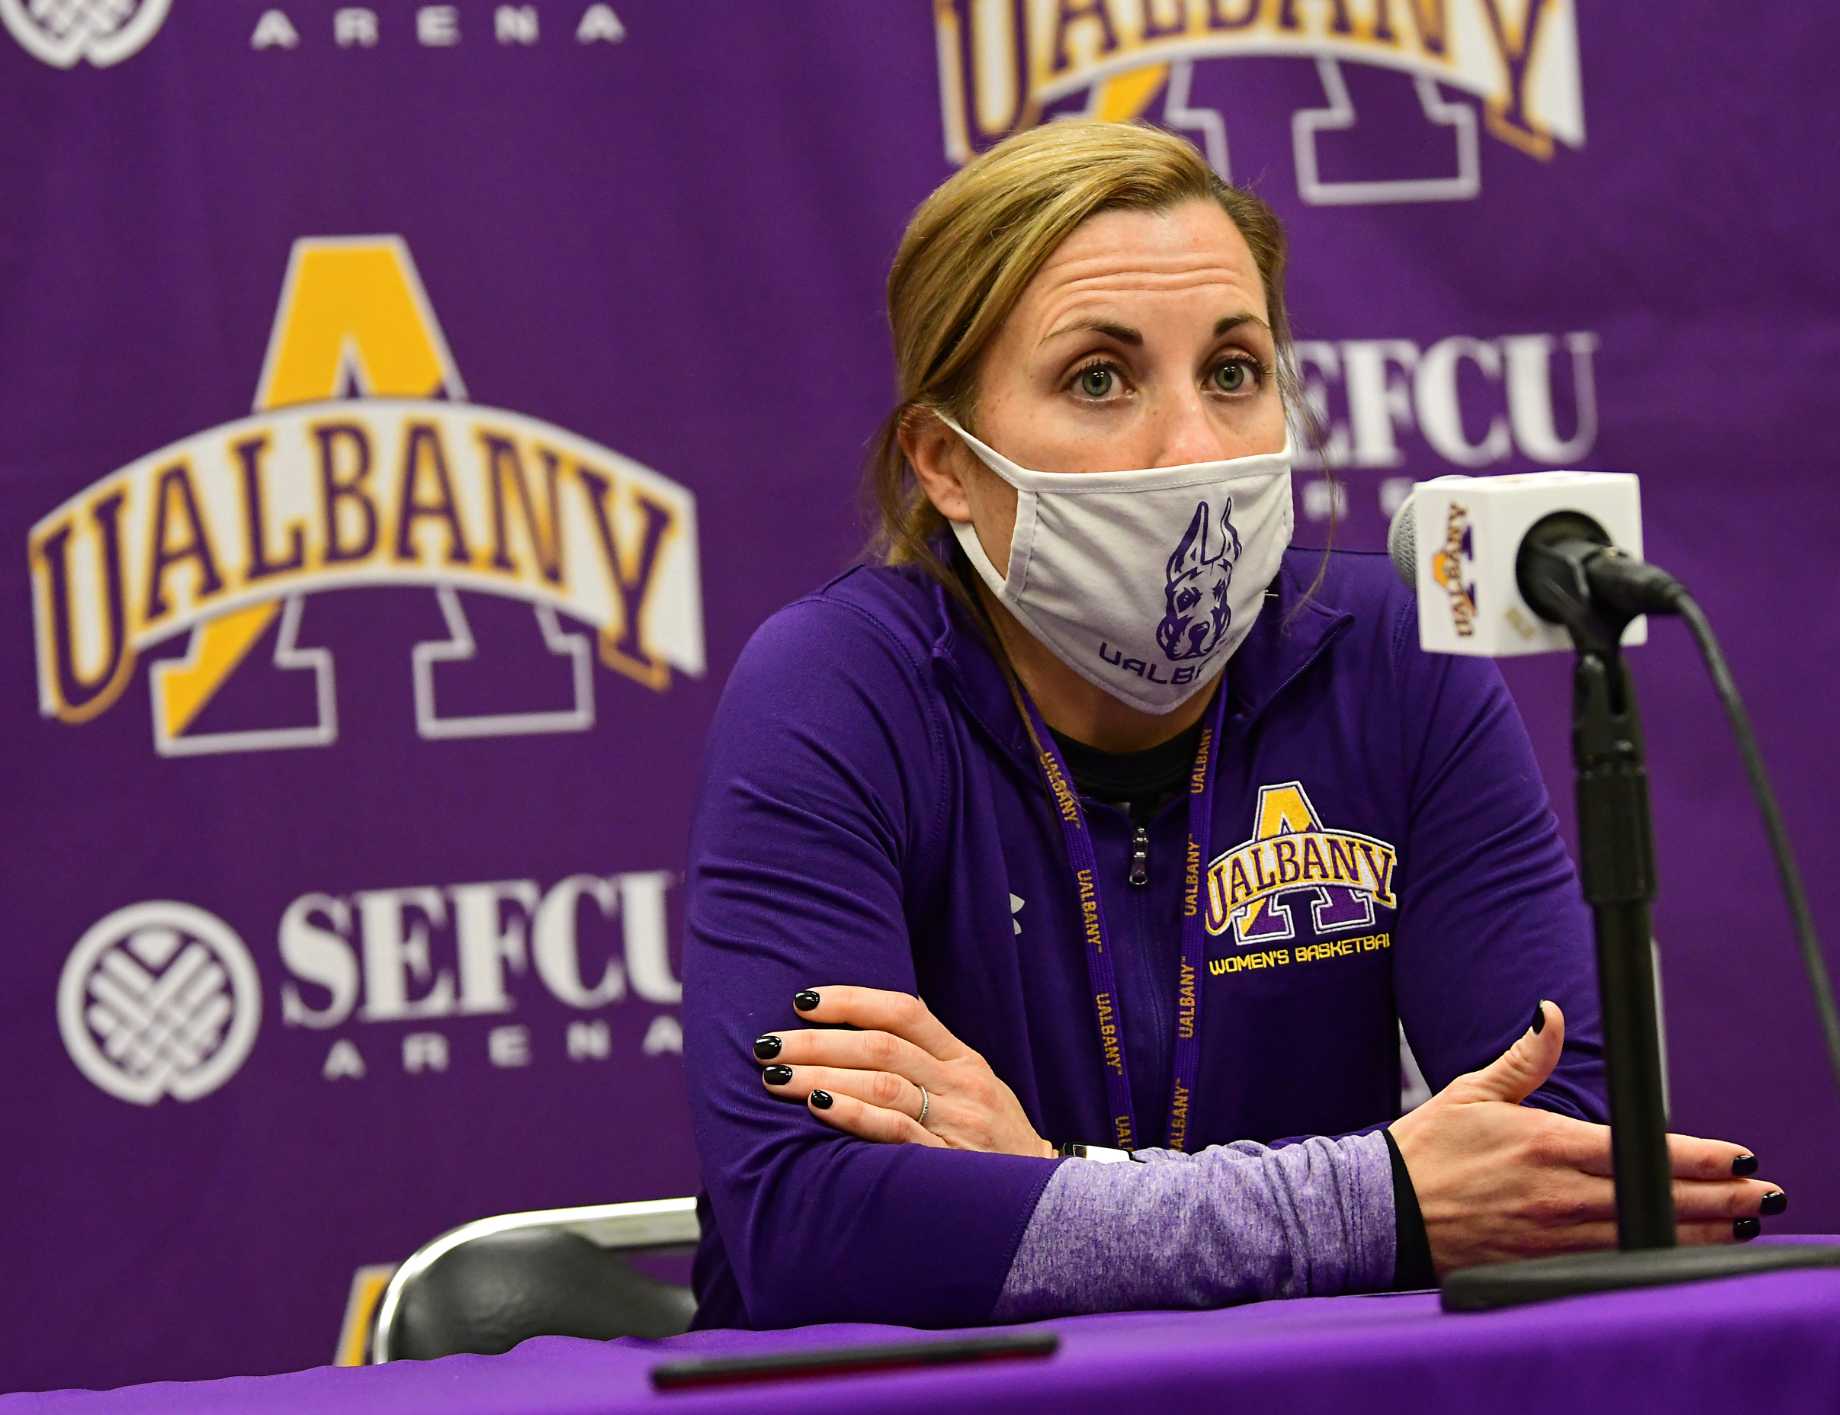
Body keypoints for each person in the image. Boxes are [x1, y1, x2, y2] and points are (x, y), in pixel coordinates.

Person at [680, 121, 1784, 1331]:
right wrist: (1374, 1205)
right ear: (947, 462)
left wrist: (1048, 1189)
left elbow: (1561, 1167)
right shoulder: (837, 686)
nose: (1194, 449)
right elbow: (803, 1226)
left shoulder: (1395, 656)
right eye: (1098, 379)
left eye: (1232, 371)